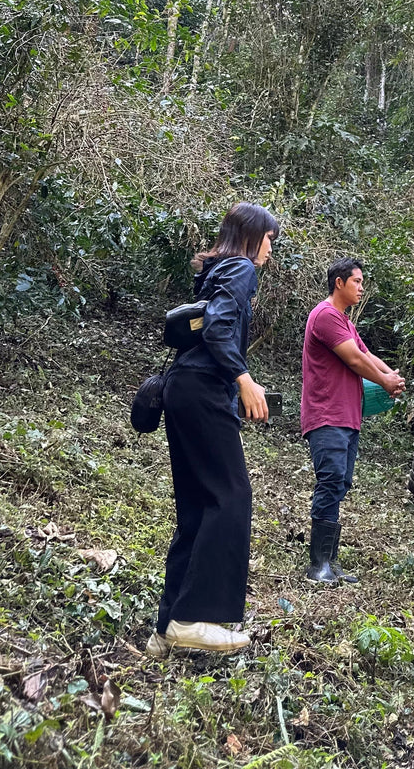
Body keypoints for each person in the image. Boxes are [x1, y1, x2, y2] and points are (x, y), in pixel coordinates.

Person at [147, 201, 279, 656]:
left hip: (180, 388)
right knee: (231, 495)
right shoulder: (241, 268)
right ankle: (193, 618)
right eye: (269, 239)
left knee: (197, 506)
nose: (269, 250)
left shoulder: (214, 269)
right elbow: (220, 329)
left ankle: (166, 627)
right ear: (253, 236)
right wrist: (244, 380)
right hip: (204, 388)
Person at [300, 257, 405, 584]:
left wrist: (390, 374)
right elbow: (355, 359)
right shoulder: (326, 315)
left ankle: (330, 561)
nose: (361, 287)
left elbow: (367, 354)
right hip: (326, 414)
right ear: (339, 283)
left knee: (340, 483)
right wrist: (384, 382)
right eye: (357, 281)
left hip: (347, 416)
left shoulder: (345, 322)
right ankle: (318, 565)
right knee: (330, 480)